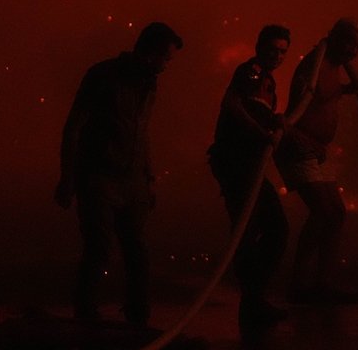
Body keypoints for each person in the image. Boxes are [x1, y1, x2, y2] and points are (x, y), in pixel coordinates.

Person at [55, 22, 183, 327]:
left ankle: (138, 315)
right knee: (98, 248)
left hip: (133, 180)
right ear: (149, 52)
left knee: (137, 250)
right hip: (100, 176)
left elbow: (141, 131)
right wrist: (68, 177)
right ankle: (86, 315)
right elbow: (74, 127)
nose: (166, 67)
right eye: (165, 58)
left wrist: (148, 178)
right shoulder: (103, 76)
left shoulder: (149, 84)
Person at [275, 18, 358, 304]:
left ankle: (322, 283)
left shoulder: (335, 65)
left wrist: (347, 89)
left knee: (336, 213)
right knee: (324, 211)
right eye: (350, 44)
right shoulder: (314, 64)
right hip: (299, 146)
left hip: (318, 150)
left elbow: (328, 94)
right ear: (336, 39)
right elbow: (307, 98)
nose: (354, 51)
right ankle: (300, 283)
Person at [208, 24, 292, 331]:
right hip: (235, 163)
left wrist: (275, 121)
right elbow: (231, 105)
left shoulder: (267, 82)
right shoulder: (250, 72)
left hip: (250, 166)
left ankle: (255, 299)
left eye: (283, 51)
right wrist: (263, 133)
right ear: (259, 47)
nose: (277, 56)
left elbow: (256, 112)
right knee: (249, 227)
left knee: (275, 228)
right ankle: (252, 303)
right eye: (272, 49)